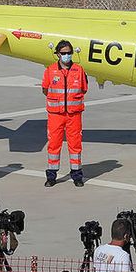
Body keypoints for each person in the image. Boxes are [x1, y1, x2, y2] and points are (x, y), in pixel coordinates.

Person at [41, 40, 89, 187]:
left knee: (75, 145)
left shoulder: (79, 70)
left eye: (69, 53)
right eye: (63, 53)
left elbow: (84, 88)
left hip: (74, 115)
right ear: (57, 54)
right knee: (54, 145)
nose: (66, 55)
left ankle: (77, 175)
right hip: (56, 114)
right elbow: (45, 89)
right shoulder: (50, 70)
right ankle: (51, 175)